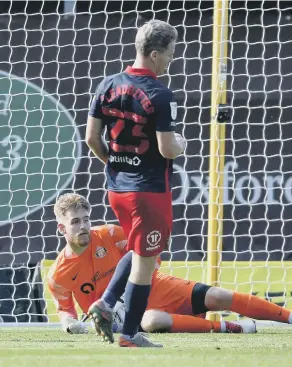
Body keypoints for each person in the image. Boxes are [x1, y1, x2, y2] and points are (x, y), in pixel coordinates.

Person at [48, 194, 292, 336]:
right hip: (124, 318)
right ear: (62, 228)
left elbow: (148, 250)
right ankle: (228, 328)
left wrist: (149, 267)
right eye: (76, 222)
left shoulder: (108, 234)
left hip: (154, 288)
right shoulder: (59, 273)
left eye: (86, 219)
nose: (84, 226)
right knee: (152, 321)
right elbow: (65, 310)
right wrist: (69, 323)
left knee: (217, 296)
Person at [85, 19, 186, 347]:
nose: (171, 60)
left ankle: (106, 303)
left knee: (140, 249)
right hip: (149, 192)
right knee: (147, 263)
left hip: (116, 189)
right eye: (170, 54)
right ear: (154, 55)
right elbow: (167, 148)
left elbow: (91, 138)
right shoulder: (159, 93)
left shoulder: (107, 84)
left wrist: (116, 166)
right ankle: (128, 334)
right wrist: (183, 143)